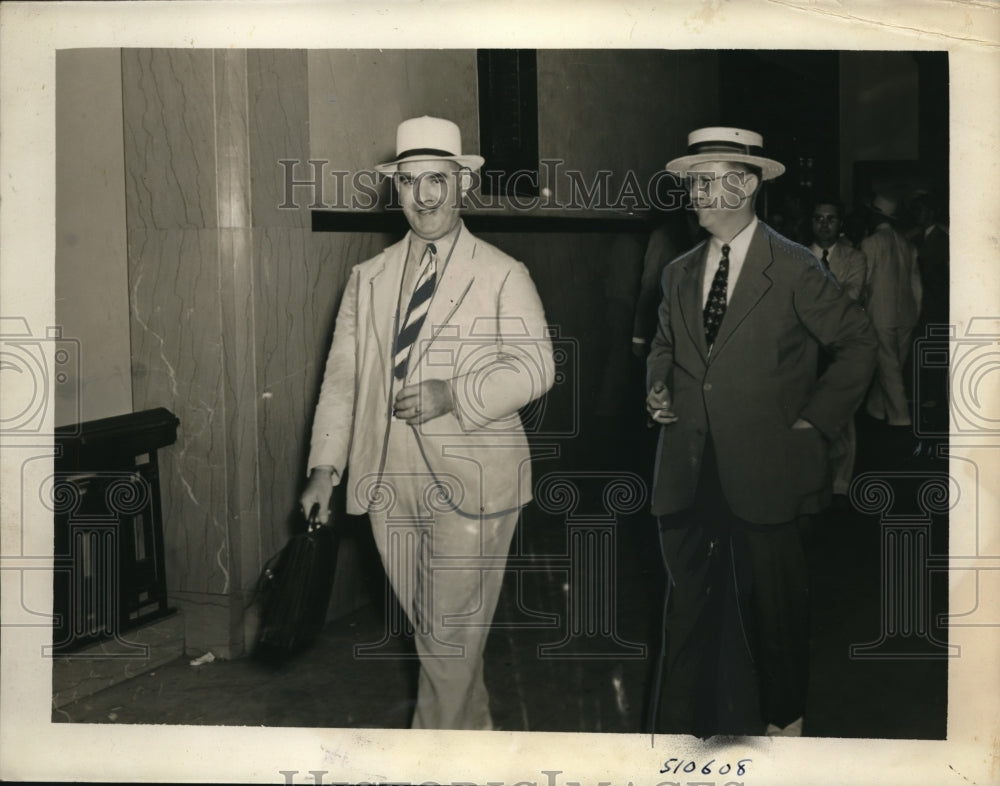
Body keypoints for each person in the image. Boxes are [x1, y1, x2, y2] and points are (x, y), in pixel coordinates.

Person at [300, 116, 555, 730]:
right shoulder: (369, 279)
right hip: (389, 480)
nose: (426, 197)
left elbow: (537, 367)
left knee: (444, 642)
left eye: (438, 180)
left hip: (474, 480)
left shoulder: (501, 272)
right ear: (398, 191)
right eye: (411, 183)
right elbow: (342, 379)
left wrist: (456, 392)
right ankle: (478, 747)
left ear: (461, 184)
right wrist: (324, 469)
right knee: (441, 641)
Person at [645, 127, 877, 738]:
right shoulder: (677, 272)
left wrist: (816, 419)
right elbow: (666, 347)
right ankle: (681, 735)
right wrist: (658, 386)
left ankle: (783, 727)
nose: (692, 193)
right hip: (690, 471)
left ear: (744, 185)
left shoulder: (795, 267)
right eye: (691, 182)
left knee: (774, 612)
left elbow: (858, 344)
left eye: (704, 181)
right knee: (689, 610)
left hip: (770, 471)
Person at [809, 197, 869, 501]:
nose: (824, 224)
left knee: (842, 415)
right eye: (818, 218)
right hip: (807, 347)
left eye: (830, 219)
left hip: (842, 345)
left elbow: (852, 295)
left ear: (840, 223)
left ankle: (841, 483)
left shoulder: (855, 258)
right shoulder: (796, 256)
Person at [860, 193, 922, 429]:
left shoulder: (870, 243)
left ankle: (901, 417)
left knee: (889, 367)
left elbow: (864, 281)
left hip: (880, 314)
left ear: (875, 215)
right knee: (894, 364)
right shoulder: (906, 243)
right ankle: (876, 408)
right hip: (906, 313)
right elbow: (916, 283)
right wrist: (915, 313)